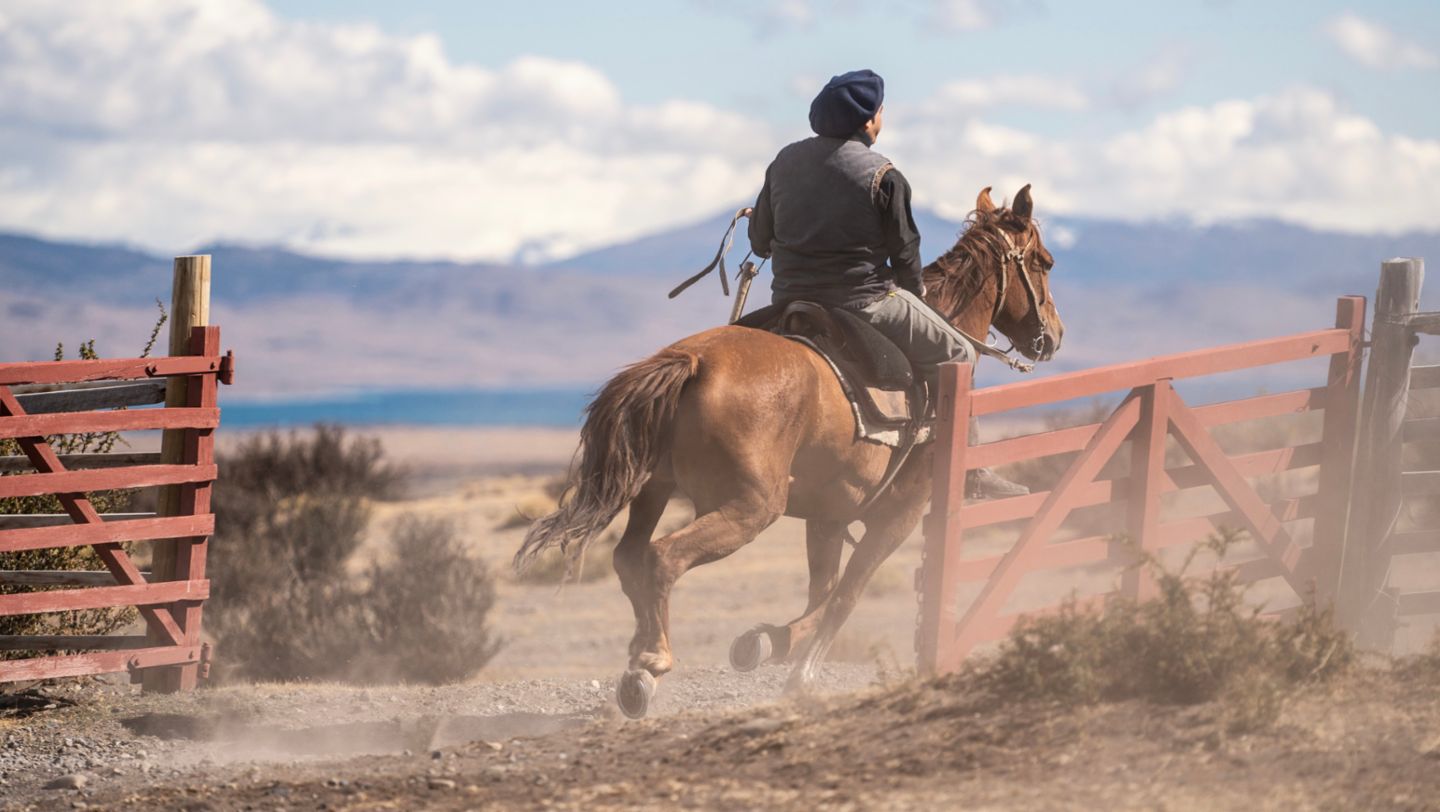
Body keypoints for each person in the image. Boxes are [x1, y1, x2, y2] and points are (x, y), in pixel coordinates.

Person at [746, 69, 1027, 499]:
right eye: (880, 112)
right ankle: (968, 472)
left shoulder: (783, 162)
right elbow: (906, 255)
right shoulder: (884, 175)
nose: (881, 119)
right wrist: (914, 295)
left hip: (789, 300)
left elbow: (760, 243)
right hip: (864, 302)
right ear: (867, 120)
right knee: (959, 351)